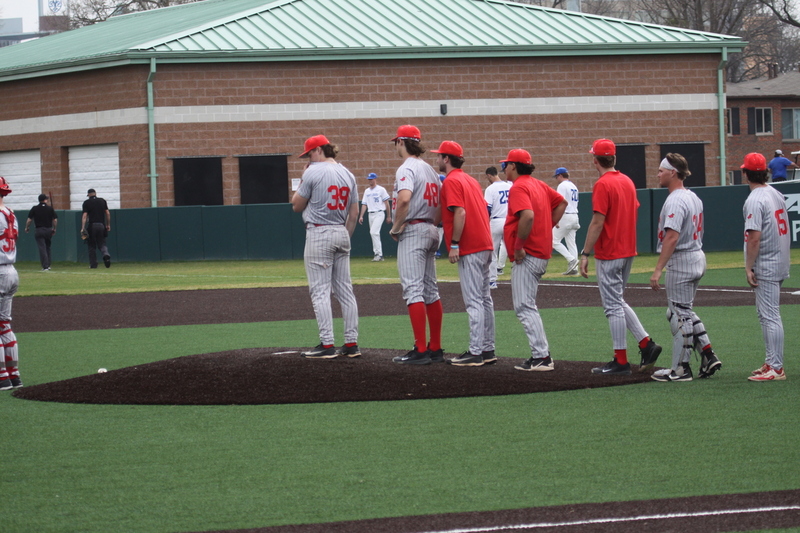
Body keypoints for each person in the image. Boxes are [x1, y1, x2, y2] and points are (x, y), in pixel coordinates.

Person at [579, 139, 662, 375]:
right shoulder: (627, 181)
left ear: (595, 160)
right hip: (628, 250)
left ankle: (621, 361)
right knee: (618, 301)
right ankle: (646, 344)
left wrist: (585, 253)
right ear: (614, 158)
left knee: (612, 306)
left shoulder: (603, 184)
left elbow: (597, 221)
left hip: (610, 252)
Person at [649, 153, 721, 382]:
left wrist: (658, 269)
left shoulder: (676, 199)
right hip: (696, 255)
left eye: (662, 170)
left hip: (682, 258)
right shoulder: (693, 197)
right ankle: (708, 355)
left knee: (679, 316)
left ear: (673, 172)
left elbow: (671, 236)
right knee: (682, 311)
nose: (658, 174)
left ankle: (681, 369)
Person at [291, 135, 360, 359]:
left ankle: (327, 345)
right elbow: (354, 213)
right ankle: (351, 344)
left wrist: (304, 176)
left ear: (319, 150)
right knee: (345, 292)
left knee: (320, 291)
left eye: (310, 153)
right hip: (341, 232)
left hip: (319, 232)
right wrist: (344, 236)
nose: (309, 158)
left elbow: (296, 205)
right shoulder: (347, 173)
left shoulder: (312, 171)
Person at [500, 149, 567, 372]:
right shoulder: (537, 184)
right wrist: (544, 227)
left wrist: (519, 246)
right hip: (540, 250)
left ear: (514, 166)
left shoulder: (520, 186)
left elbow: (527, 215)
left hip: (528, 253)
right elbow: (561, 203)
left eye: (506, 164)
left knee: (524, 306)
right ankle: (540, 356)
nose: (504, 168)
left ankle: (541, 357)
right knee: (526, 305)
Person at [433, 141, 496, 367]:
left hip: (470, 246)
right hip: (485, 244)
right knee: (485, 299)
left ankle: (475, 351)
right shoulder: (469, 179)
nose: (437, 159)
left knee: (474, 301)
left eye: (439, 156)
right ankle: (487, 349)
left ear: (447, 159)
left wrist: (456, 244)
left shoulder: (451, 181)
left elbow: (459, 212)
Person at [388, 125, 444, 365]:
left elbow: (404, 199)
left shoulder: (407, 167)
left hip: (414, 228)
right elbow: (442, 203)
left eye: (396, 142)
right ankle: (436, 348)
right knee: (431, 291)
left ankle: (420, 349)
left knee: (413, 290)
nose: (395, 146)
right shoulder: (430, 169)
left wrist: (396, 227)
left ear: (401, 142)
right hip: (432, 228)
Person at [741, 152, 791, 381]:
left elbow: (754, 237)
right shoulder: (775, 192)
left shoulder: (755, 198)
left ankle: (776, 367)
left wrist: (749, 267)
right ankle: (771, 361)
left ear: (745, 173)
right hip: (779, 257)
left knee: (770, 315)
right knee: (766, 314)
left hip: (767, 262)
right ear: (766, 171)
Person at [0, 177, 22, 391]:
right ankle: (13, 376)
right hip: (11, 271)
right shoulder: (11, 215)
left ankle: (1, 377)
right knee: (4, 325)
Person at [484, 166, 511, 289]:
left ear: (489, 175)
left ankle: (492, 281)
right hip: (509, 220)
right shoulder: (509, 186)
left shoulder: (490, 189)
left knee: (492, 252)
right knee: (513, 251)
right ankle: (518, 278)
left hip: (496, 221)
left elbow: (487, 208)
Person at [551, 167, 580, 275]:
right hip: (574, 215)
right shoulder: (573, 185)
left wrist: (556, 218)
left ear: (560, 175)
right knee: (571, 243)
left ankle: (571, 260)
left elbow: (560, 202)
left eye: (556, 177)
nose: (556, 179)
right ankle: (574, 269)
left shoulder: (562, 185)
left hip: (566, 215)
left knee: (553, 240)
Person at [358, 173, 391, 261]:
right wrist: (361, 216)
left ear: (375, 179)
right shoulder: (367, 191)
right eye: (369, 179)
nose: (370, 181)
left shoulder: (381, 189)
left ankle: (379, 255)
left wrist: (388, 216)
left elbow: (386, 203)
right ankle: (377, 254)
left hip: (379, 213)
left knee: (374, 232)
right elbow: (364, 204)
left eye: (371, 179)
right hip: (370, 214)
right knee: (373, 233)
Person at [25, 193, 58, 271]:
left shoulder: (35, 208)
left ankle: (45, 266)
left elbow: (29, 220)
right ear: (45, 200)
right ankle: (48, 264)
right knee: (48, 247)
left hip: (39, 230)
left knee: (42, 248)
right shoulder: (50, 208)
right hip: (48, 230)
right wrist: (54, 228)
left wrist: (27, 227)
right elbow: (55, 220)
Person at [81, 189, 111, 269]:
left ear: (89, 195)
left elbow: (85, 216)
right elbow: (107, 213)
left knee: (91, 245)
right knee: (102, 243)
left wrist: (83, 227)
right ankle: (106, 254)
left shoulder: (86, 203)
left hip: (92, 225)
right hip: (101, 225)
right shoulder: (102, 201)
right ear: (95, 193)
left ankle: (93, 264)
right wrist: (108, 224)